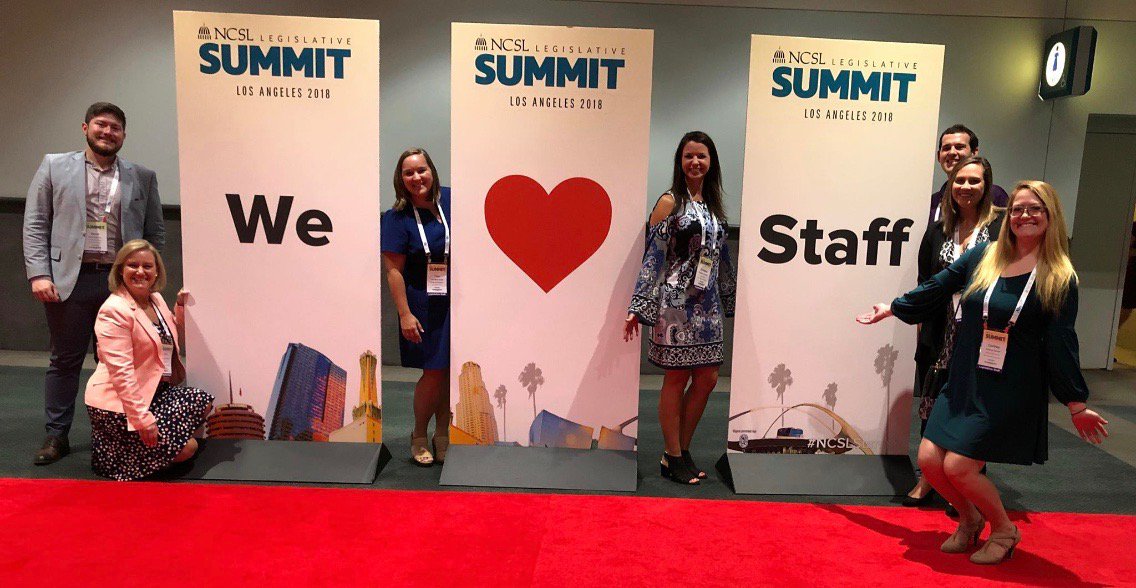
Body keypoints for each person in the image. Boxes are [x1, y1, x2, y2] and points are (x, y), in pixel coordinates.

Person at [858, 180, 1109, 565]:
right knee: (929, 460)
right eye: (1018, 209)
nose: (1025, 215)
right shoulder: (985, 256)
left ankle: (1005, 530)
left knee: (959, 466)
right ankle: (970, 519)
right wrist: (895, 306)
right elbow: (939, 285)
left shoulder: (1059, 276)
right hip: (965, 376)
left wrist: (1076, 403)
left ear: (1051, 216)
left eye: (1035, 209)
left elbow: (1062, 342)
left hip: (1010, 385)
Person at [23, 102, 166, 465]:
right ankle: (57, 436)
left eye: (115, 128)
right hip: (69, 281)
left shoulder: (142, 176)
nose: (108, 132)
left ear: (123, 135)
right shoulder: (54, 166)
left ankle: (118, 433)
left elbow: (155, 233)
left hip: (120, 285)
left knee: (122, 361)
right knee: (65, 360)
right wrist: (39, 273)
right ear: (85, 127)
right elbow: (36, 223)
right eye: (101, 125)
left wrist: (147, 279)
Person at [624, 131, 736, 485]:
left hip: (707, 308)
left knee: (708, 378)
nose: (695, 162)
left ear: (711, 162)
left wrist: (729, 297)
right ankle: (672, 456)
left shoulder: (714, 206)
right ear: (680, 161)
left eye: (701, 156)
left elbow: (722, 257)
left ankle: (681, 450)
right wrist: (638, 304)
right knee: (676, 378)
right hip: (675, 306)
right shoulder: (670, 202)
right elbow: (653, 255)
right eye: (689, 156)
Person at [905, 156, 1004, 508]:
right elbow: (925, 281)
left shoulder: (1000, 230)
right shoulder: (938, 230)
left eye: (974, 181)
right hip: (940, 330)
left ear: (986, 186)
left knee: (973, 406)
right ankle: (930, 478)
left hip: (983, 333)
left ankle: (968, 481)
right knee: (932, 402)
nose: (965, 187)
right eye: (959, 181)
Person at [85, 240, 213, 481]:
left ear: (156, 272)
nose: (140, 271)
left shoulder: (155, 299)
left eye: (147, 266)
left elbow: (170, 332)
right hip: (118, 403)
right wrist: (142, 419)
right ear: (120, 270)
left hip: (153, 390)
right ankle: (123, 455)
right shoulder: (113, 310)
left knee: (201, 400)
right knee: (188, 449)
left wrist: (181, 306)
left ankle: (137, 447)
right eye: (133, 265)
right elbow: (121, 374)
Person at [381, 148, 451, 467]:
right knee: (433, 371)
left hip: (457, 299)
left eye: (421, 170)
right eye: (408, 173)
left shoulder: (451, 201)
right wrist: (405, 314)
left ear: (431, 170)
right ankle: (420, 435)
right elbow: (393, 271)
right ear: (400, 179)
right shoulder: (396, 217)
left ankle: (443, 434)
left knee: (447, 371)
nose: (416, 177)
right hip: (422, 302)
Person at [928, 124, 1009, 225]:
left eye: (959, 147)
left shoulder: (994, 194)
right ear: (938, 156)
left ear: (974, 153)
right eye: (946, 148)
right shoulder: (933, 201)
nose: (952, 152)